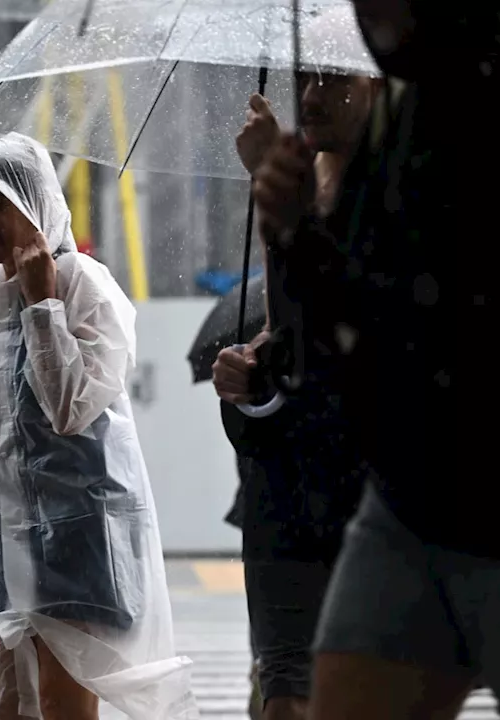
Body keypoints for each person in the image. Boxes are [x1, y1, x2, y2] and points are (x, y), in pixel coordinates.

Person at [252, 3, 500, 718]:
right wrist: (297, 236)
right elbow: (346, 341)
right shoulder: (399, 120)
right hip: (411, 506)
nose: (374, 13)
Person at [0, 133, 195, 720]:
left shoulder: (85, 285)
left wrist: (44, 305)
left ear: (33, 205)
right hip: (13, 532)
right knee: (10, 705)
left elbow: (70, 408)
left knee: (66, 710)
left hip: (83, 535)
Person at [212, 62, 381, 720]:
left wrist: (278, 197)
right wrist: (257, 361)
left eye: (338, 80)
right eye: (307, 77)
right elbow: (297, 328)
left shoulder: (396, 186)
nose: (313, 95)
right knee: (282, 680)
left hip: (364, 483)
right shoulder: (305, 174)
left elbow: (351, 324)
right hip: (284, 482)